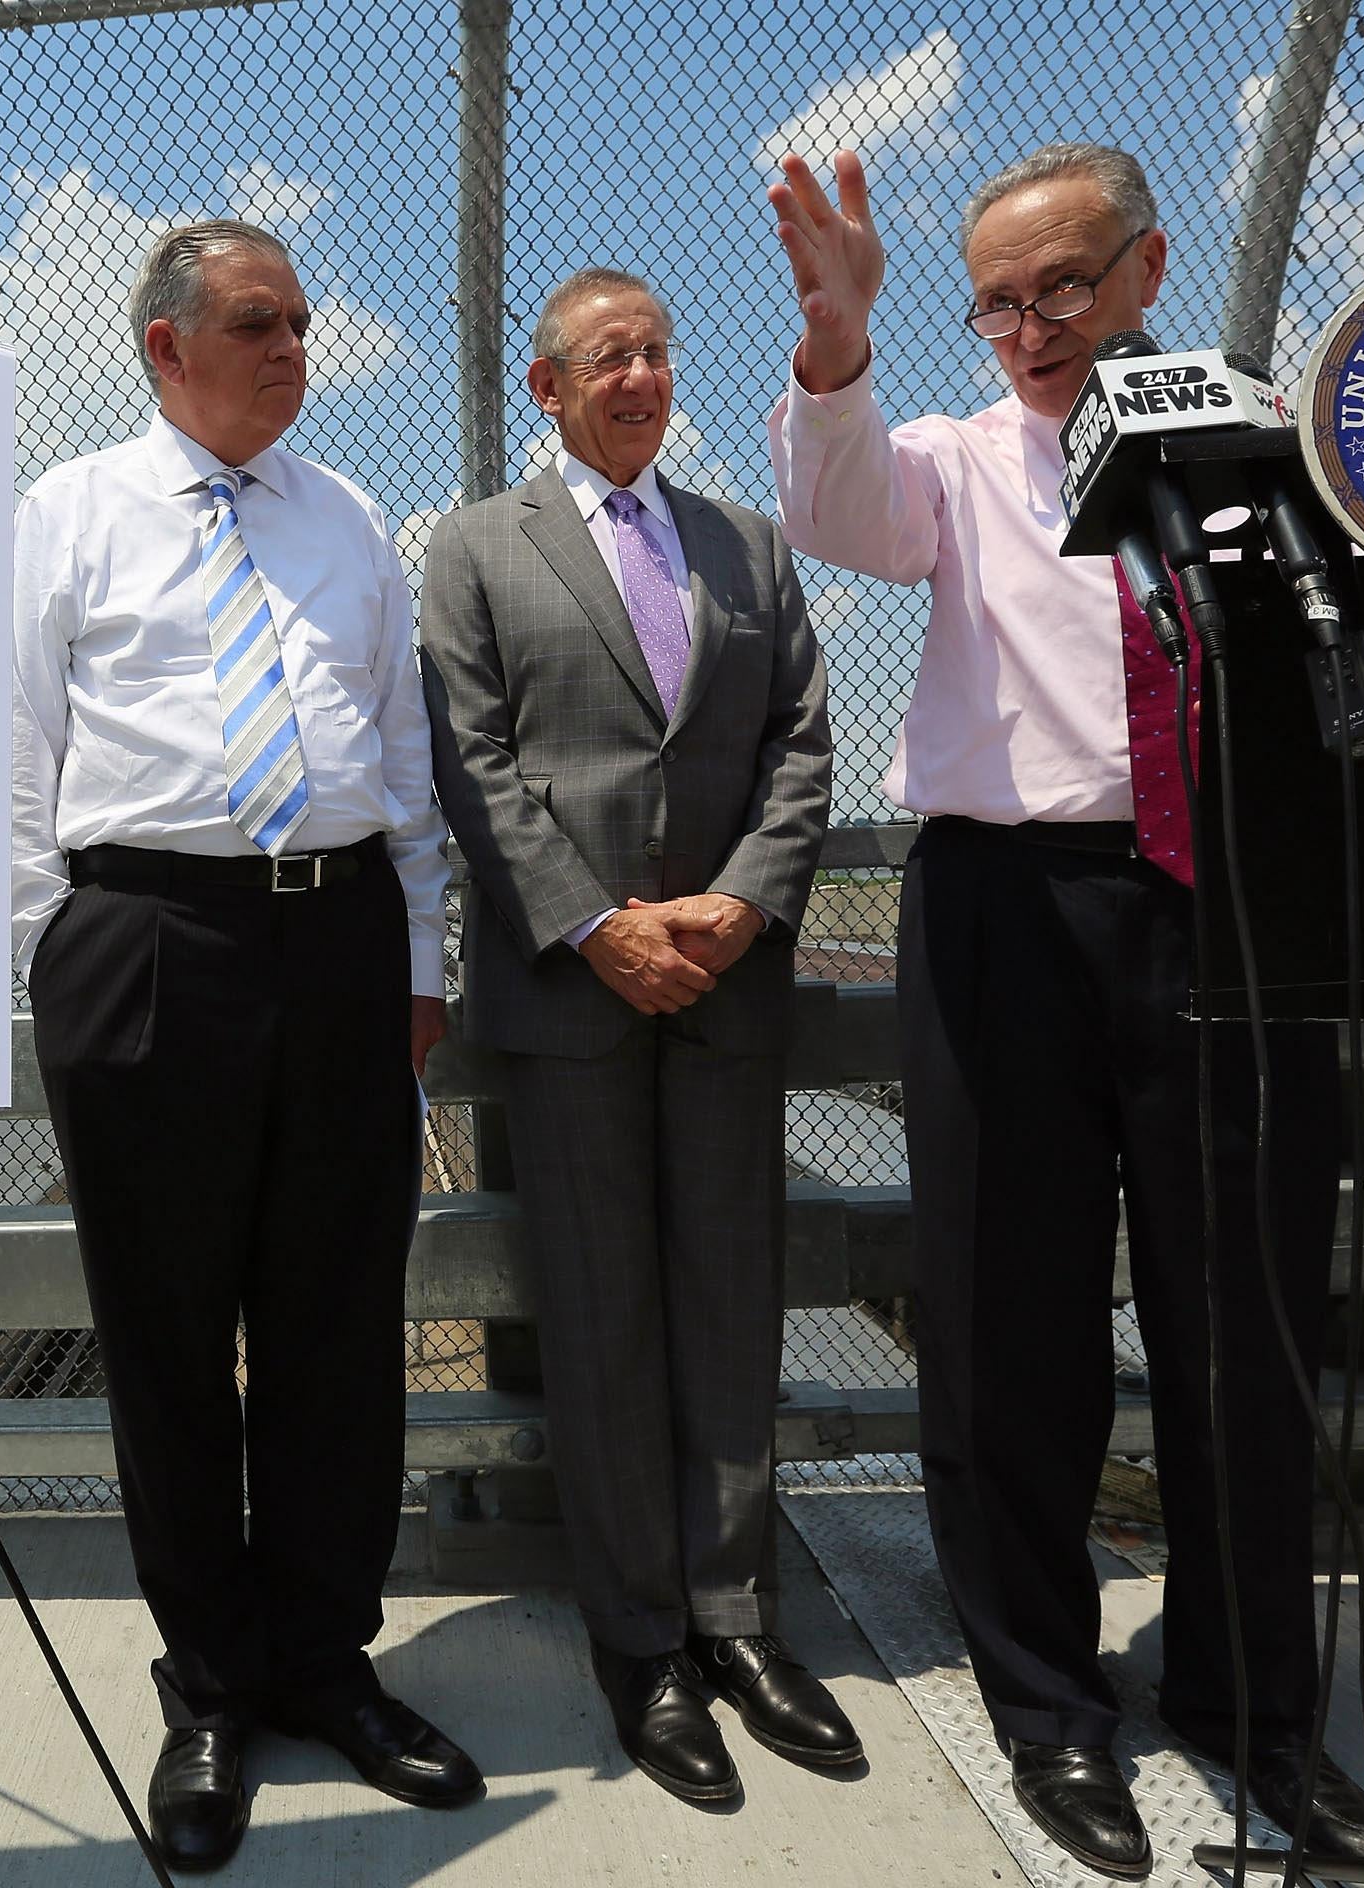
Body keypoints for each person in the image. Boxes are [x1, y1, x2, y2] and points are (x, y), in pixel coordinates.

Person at [762, 145, 1364, 1877]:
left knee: (1242, 1321)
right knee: (1008, 1320)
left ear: (1148, 267)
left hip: (1232, 909)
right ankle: (1045, 1704)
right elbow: (837, 511)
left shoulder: (1256, 435)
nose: (1031, 330)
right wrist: (838, 342)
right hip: (1008, 918)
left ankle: (1252, 1701)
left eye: (1064, 288)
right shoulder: (954, 462)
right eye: (998, 302)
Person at [10, 218, 474, 1871]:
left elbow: (406, 765)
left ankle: (326, 1664)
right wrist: (53, 963)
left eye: (303, 322)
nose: (295, 350)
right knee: (166, 1332)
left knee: (338, 1319)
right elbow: (16, 762)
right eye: (261, 324)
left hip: (338, 936)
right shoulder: (63, 515)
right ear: (165, 344)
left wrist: (416, 955)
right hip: (150, 941)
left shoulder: (348, 520)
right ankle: (209, 1689)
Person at [417, 269, 850, 1804]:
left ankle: (739, 1618)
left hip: (726, 986)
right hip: (572, 996)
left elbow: (802, 738)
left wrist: (736, 909)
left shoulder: (746, 543)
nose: (643, 376)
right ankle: (641, 1642)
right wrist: (599, 926)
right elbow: (471, 762)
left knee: (728, 1306)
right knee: (600, 1322)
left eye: (660, 351)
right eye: (611, 357)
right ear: (547, 386)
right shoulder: (472, 549)